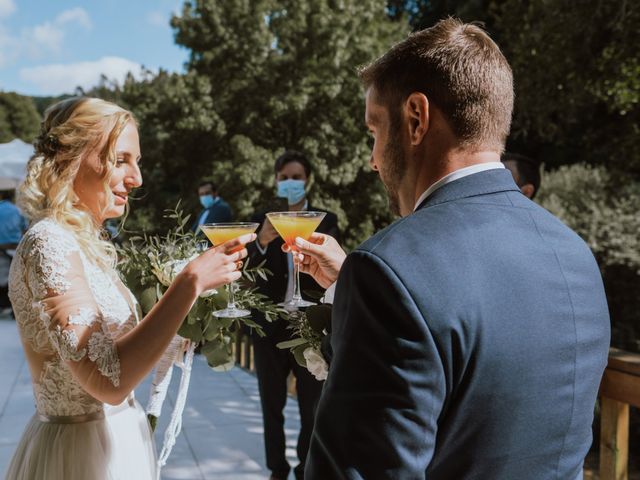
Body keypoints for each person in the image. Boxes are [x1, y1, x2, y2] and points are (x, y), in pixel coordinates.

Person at [290, 19, 610, 479]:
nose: (373, 158)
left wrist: (372, 282)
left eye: (374, 131)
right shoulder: (576, 254)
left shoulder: (389, 268)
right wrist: (353, 287)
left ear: (416, 119)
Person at [5, 97, 255, 480]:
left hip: (119, 439)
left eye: (136, 162)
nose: (137, 178)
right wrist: (189, 282)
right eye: (121, 160)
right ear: (71, 157)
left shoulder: (85, 244)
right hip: (79, 457)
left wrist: (177, 329)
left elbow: (117, 353)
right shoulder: (49, 242)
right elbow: (106, 382)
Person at [246, 150, 339, 480]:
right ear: (276, 180)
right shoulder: (262, 219)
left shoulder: (326, 220)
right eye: (284, 177)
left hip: (308, 329)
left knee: (311, 407)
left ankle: (304, 469)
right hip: (268, 328)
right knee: (272, 407)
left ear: (307, 180)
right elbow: (245, 273)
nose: (290, 183)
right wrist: (260, 241)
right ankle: (277, 470)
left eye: (296, 177)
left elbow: (330, 272)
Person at [0, 187, 27, 313]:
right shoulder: (18, 211)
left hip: (1, 249)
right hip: (14, 249)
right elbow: (25, 230)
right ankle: (11, 306)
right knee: (14, 278)